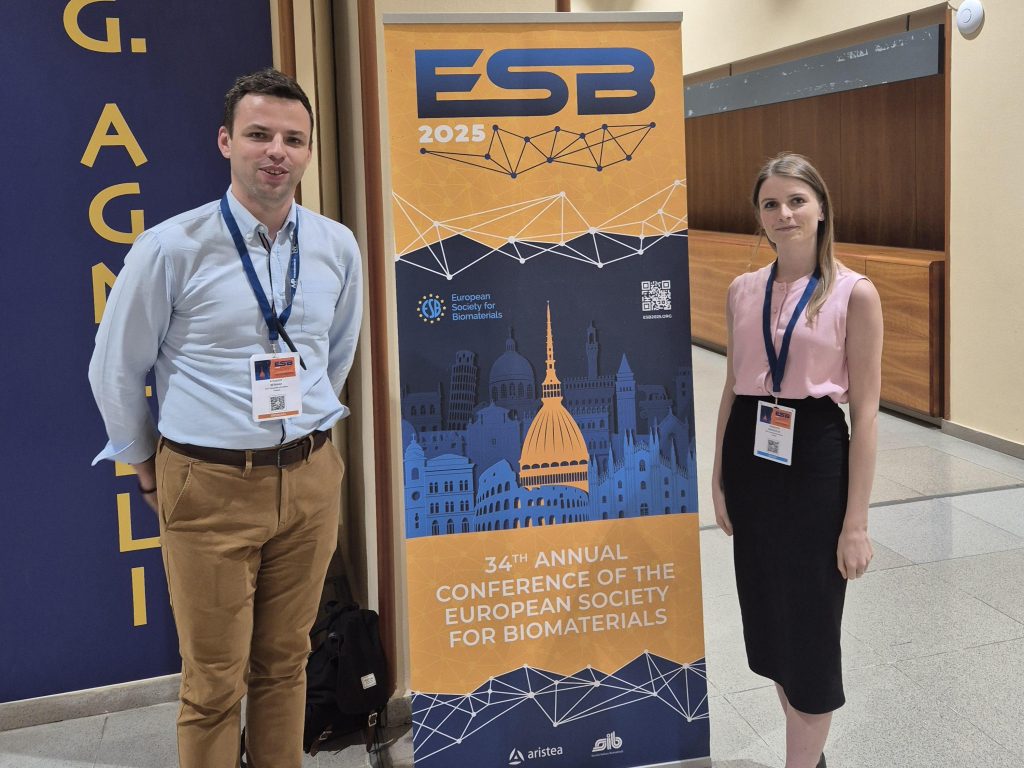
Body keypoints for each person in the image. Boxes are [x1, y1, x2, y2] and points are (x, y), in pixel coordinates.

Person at [89, 68, 363, 768]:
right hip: (208, 485)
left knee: (286, 662)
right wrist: (146, 468)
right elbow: (116, 369)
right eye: (259, 134)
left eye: (293, 139)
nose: (276, 151)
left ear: (308, 152)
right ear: (226, 142)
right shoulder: (171, 248)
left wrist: (310, 436)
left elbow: (334, 356)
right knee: (214, 681)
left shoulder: (335, 246)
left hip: (309, 480)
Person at [710, 153, 882, 768]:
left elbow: (866, 413)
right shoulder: (742, 290)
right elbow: (732, 386)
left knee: (809, 631)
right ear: (759, 216)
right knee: (772, 622)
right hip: (751, 451)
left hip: (814, 455)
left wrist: (855, 523)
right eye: (771, 204)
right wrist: (719, 478)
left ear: (821, 208)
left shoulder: (854, 293)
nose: (784, 213)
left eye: (796, 201)